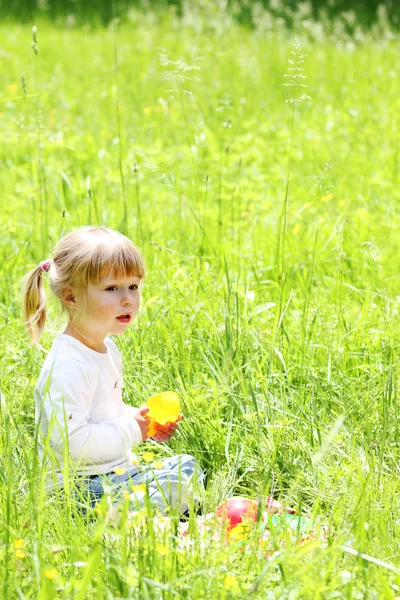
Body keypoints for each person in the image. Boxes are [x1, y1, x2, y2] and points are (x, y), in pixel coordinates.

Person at [22, 226, 203, 516]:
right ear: (71, 297)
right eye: (112, 288)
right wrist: (133, 430)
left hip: (115, 475)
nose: (128, 298)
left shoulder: (105, 348)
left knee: (185, 465)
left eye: (133, 286)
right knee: (169, 486)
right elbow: (72, 442)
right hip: (78, 489)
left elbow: (104, 414)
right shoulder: (69, 365)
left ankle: (159, 514)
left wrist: (140, 419)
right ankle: (149, 520)